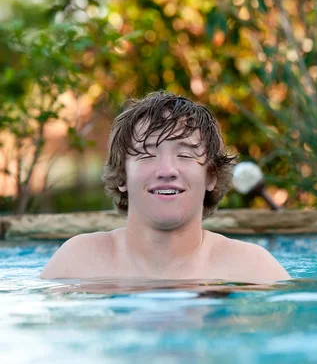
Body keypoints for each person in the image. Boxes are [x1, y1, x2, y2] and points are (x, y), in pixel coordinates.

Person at [41, 91, 290, 283]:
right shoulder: (77, 263)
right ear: (122, 176)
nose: (167, 170)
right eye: (147, 155)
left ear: (211, 175)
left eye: (185, 155)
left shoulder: (252, 269)